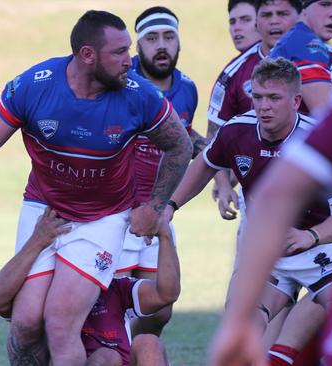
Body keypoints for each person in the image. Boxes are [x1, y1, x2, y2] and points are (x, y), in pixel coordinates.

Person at [0, 10, 192, 366]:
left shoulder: (139, 95)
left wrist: (154, 206)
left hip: (102, 220)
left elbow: (179, 145)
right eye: (119, 52)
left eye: (128, 50)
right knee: (26, 322)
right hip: (44, 209)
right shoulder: (35, 85)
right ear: (88, 55)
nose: (129, 60)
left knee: (60, 325)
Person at [165, 57, 332, 365]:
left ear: (296, 101)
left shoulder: (315, 140)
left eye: (274, 98)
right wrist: (170, 206)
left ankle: (283, 354)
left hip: (324, 252)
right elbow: (204, 164)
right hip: (271, 252)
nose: (264, 106)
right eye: (258, 97)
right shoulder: (238, 132)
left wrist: (310, 236)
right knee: (241, 326)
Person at [0, 207, 179, 366]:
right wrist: (37, 242)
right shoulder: (41, 293)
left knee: (148, 343)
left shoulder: (113, 290)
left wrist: (165, 236)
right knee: (106, 358)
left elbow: (166, 295)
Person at [115, 6, 201, 338]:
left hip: (159, 208)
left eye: (168, 36)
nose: (161, 45)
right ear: (137, 46)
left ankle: (127, 352)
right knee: (111, 303)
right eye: (151, 38)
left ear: (179, 41)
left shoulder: (187, 88)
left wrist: (216, 154)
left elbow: (182, 136)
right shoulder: (122, 82)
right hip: (119, 212)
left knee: (160, 308)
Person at [209, 0, 302, 222]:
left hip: (317, 192)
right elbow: (215, 136)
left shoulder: (326, 61)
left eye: (281, 13)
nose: (274, 21)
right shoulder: (234, 72)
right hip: (258, 198)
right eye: (267, 14)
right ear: (258, 22)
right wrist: (223, 184)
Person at [269, 0, 332, 114]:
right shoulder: (307, 44)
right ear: (304, 8)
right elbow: (326, 116)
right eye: (325, 4)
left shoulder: (295, 39)